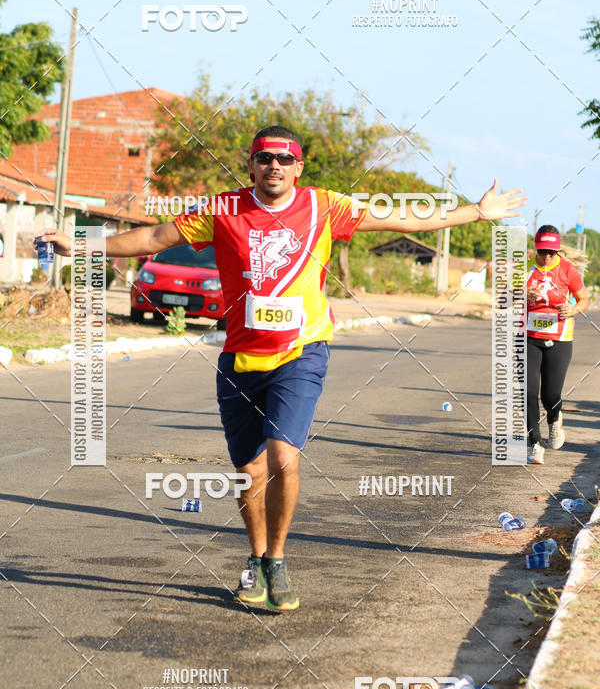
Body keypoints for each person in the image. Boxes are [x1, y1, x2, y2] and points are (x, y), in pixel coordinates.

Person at [39, 125, 526, 611]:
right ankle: (254, 559)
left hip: (301, 351)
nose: (275, 165)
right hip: (239, 358)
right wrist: (82, 245)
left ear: (298, 167)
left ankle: (277, 559)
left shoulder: (324, 207)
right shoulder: (223, 209)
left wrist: (476, 212)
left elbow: (401, 219)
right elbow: (155, 235)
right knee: (248, 469)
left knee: (283, 457)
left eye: (284, 159)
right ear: (251, 164)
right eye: (265, 158)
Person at [526, 225, 589, 464]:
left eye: (552, 252)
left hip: (560, 338)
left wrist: (572, 309)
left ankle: (555, 419)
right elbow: (504, 298)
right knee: (529, 392)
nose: (548, 256)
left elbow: (584, 300)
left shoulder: (567, 270)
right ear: (536, 248)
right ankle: (535, 444)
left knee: (550, 394)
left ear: (557, 250)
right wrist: (522, 295)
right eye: (543, 251)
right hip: (529, 337)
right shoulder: (525, 268)